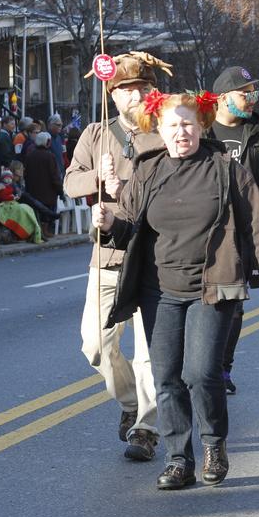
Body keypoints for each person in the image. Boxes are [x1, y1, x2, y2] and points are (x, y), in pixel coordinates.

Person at [92, 89, 259, 491]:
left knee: (201, 373)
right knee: (166, 378)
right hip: (157, 290)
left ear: (201, 125)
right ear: (158, 131)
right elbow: (129, 227)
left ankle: (214, 444)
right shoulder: (148, 171)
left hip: (211, 285)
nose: (181, 132)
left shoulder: (226, 169)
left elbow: (258, 226)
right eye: (172, 125)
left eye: (188, 123)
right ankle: (178, 458)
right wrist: (110, 223)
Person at [65, 51, 173, 462]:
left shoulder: (166, 132)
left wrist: (124, 179)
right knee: (95, 345)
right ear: (113, 95)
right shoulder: (96, 134)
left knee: (149, 351)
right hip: (108, 255)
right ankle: (130, 402)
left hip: (154, 256)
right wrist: (98, 177)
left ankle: (146, 426)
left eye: (144, 88)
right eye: (128, 89)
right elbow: (71, 182)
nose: (137, 95)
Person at [209, 65, 259, 395]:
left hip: (244, 227)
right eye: (245, 93)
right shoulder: (201, 131)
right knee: (209, 299)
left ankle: (222, 368)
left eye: (254, 92)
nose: (252, 99)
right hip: (208, 227)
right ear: (224, 97)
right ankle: (204, 363)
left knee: (236, 300)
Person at [24, 131, 64, 233]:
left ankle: (38, 231)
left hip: (33, 191)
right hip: (48, 192)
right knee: (47, 212)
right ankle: (45, 231)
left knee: (37, 212)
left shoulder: (30, 155)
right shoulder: (49, 156)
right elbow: (55, 176)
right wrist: (60, 190)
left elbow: (26, 174)